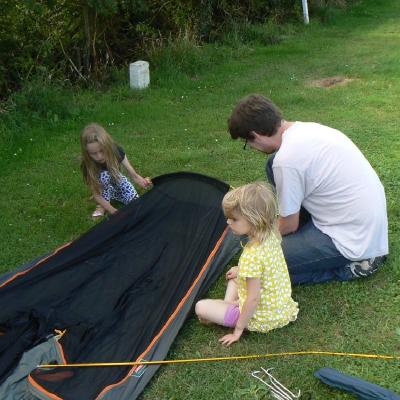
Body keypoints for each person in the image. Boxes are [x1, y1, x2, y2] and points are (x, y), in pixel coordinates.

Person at [227, 94, 388, 284]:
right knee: (272, 163)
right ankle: (306, 233)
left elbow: (288, 225)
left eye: (248, 143)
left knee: (258, 261)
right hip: (361, 222)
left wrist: (256, 243)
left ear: (255, 135)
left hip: (350, 238)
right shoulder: (308, 129)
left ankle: (355, 265)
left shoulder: (287, 160)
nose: (252, 148)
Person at [195, 182, 298, 346]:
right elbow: (265, 268)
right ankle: (228, 304)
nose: (228, 222)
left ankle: (229, 308)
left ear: (255, 220)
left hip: (260, 316)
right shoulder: (271, 234)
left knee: (201, 307)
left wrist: (238, 330)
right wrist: (241, 270)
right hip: (278, 306)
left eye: (234, 219)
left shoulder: (252, 256)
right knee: (235, 274)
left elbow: (253, 299)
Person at [80, 123, 151, 217]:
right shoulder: (87, 165)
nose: (99, 156)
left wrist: (139, 179)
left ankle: (114, 194)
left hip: (117, 180)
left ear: (107, 146)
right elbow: (96, 194)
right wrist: (112, 210)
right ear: (87, 152)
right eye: (93, 153)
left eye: (102, 151)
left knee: (135, 203)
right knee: (104, 176)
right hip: (102, 188)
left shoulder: (116, 151)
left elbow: (132, 173)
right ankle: (101, 206)